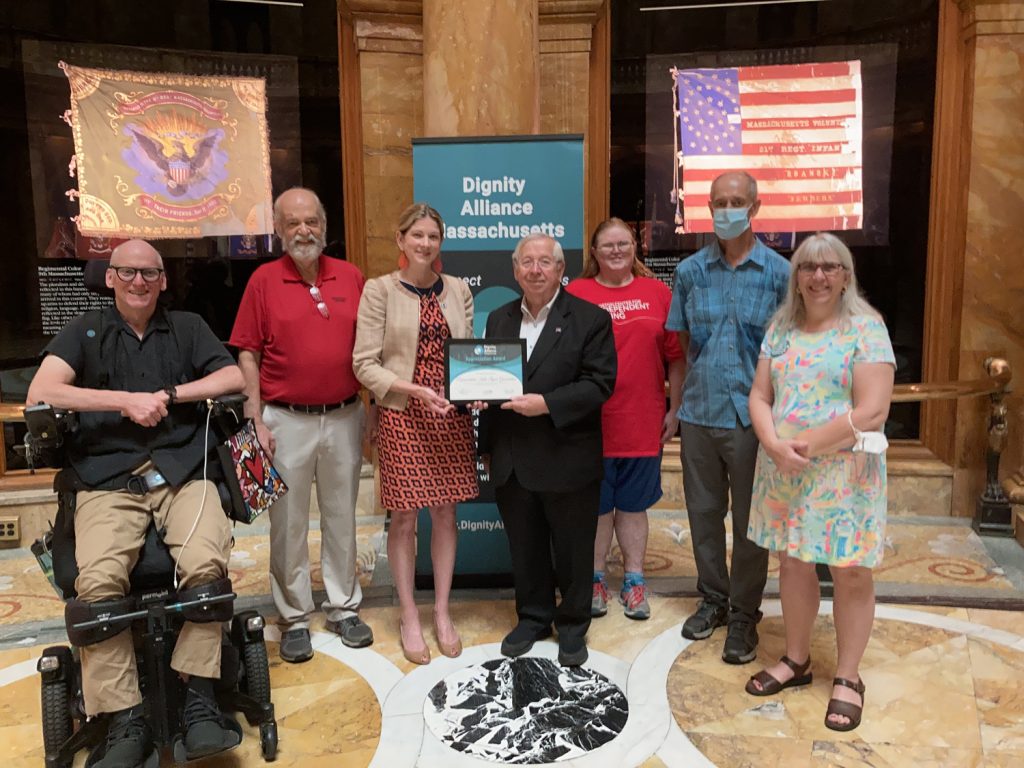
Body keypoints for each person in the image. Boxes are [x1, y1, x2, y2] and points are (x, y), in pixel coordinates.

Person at [27, 239, 245, 767]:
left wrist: (170, 395)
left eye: (149, 273)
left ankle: (197, 696)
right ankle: (125, 716)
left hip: (181, 472)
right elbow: (44, 388)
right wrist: (123, 400)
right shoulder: (86, 331)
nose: (139, 282)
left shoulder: (188, 327)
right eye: (127, 272)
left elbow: (234, 376)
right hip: (108, 479)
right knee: (98, 583)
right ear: (110, 277)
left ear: (163, 280)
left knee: (206, 566)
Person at [743, 233, 895, 733]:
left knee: (850, 570)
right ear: (797, 278)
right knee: (792, 561)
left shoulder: (866, 329)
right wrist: (771, 442)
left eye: (831, 267)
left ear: (846, 276)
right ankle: (796, 659)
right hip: (785, 469)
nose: (819, 276)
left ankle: (848, 677)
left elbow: (872, 410)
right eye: (808, 268)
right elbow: (760, 396)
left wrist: (801, 444)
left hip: (842, 473)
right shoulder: (781, 330)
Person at [230, 187, 374, 663]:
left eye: (311, 221)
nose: (303, 231)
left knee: (342, 515)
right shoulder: (263, 281)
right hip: (283, 419)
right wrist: (255, 418)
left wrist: (370, 409)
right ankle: (293, 616)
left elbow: (370, 350)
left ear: (325, 226)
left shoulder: (352, 277)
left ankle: (342, 606)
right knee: (287, 523)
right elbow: (246, 351)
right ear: (278, 230)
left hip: (345, 414)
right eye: (292, 223)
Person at [666, 170, 790, 664]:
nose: (726, 209)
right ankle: (713, 599)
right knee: (702, 516)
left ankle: (744, 614)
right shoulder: (691, 272)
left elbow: (790, 351)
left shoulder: (780, 274)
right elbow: (680, 345)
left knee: (749, 524)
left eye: (736, 201)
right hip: (700, 412)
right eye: (718, 201)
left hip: (753, 419)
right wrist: (676, 409)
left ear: (755, 208)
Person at [479, 233, 617, 667]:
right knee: (525, 547)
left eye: (545, 262)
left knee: (574, 549)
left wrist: (548, 405)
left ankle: (573, 625)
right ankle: (534, 617)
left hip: (566, 456)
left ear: (561, 270)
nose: (535, 269)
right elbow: (487, 380)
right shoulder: (499, 318)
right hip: (513, 459)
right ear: (515, 270)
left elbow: (600, 384)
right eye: (527, 262)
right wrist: (484, 440)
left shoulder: (590, 318)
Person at [352, 202, 478, 665]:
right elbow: (364, 363)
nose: (425, 243)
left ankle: (442, 612)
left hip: (449, 417)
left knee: (446, 516)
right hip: (403, 413)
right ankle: (409, 613)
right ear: (401, 241)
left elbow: (469, 353)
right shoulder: (379, 290)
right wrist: (416, 391)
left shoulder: (459, 290)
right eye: (417, 235)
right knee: (404, 519)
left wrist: (473, 390)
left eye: (433, 236)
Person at [567, 218, 684, 621]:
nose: (616, 251)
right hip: (590, 424)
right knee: (597, 507)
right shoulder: (576, 294)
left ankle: (634, 580)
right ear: (594, 253)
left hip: (642, 420)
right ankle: (595, 578)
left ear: (634, 248)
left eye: (624, 244)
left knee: (633, 506)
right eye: (607, 245)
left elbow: (676, 357)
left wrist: (675, 408)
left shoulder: (657, 293)